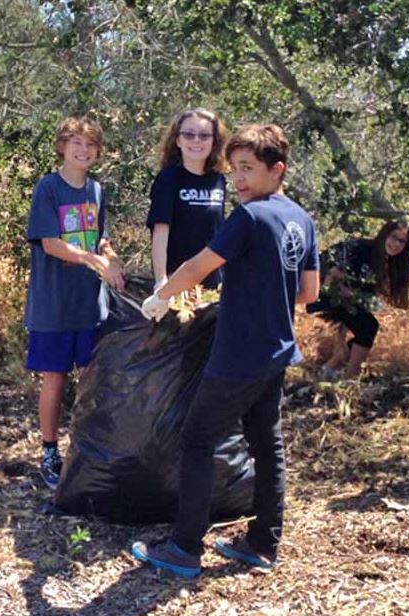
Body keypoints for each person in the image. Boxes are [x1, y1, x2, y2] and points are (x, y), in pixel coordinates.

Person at [132, 124, 320, 577]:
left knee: (198, 439)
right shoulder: (301, 218)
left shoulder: (250, 217)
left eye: (249, 170)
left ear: (278, 170)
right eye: (235, 169)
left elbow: (199, 265)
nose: (238, 179)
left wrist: (162, 296)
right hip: (277, 350)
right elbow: (308, 292)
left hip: (239, 355)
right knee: (267, 445)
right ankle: (262, 543)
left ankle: (184, 547)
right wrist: (263, 289)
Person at [24, 116, 125, 490]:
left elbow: (101, 238)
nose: (83, 151)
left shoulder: (97, 191)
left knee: (90, 381)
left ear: (98, 152)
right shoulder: (48, 188)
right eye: (76, 144)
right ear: (62, 147)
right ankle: (50, 453)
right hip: (53, 306)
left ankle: (83, 449)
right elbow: (50, 243)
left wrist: (110, 256)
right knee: (55, 379)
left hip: (90, 306)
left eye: (90, 146)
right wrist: (90, 258)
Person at [308, 219, 409, 377]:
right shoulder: (361, 248)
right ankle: (350, 376)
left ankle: (330, 369)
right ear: (384, 235)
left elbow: (390, 298)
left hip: (351, 300)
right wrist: (340, 289)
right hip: (324, 293)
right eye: (393, 237)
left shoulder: (392, 263)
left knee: (365, 329)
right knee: (369, 326)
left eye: (401, 241)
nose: (395, 244)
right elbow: (326, 269)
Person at [147, 108, 230, 290]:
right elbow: (160, 231)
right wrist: (161, 279)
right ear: (178, 140)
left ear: (214, 141)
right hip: (177, 280)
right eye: (189, 135)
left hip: (214, 281)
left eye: (204, 135)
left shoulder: (218, 180)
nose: (196, 140)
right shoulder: (169, 178)